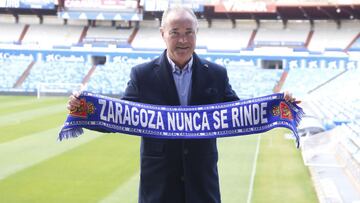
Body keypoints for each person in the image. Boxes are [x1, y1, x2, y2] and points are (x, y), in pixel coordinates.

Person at [68, 6, 298, 203]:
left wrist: (279, 105)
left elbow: (240, 113)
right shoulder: (143, 75)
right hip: (159, 188)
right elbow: (118, 116)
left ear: (197, 33)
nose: (183, 40)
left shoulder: (216, 74)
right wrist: (84, 110)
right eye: (175, 33)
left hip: (202, 186)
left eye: (189, 32)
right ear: (163, 34)